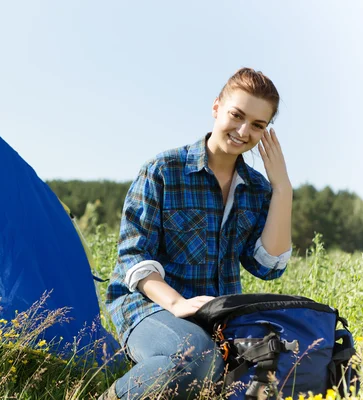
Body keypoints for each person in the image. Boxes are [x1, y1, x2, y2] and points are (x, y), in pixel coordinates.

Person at [100, 68, 293, 400]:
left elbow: (267, 266)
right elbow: (133, 256)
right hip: (151, 305)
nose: (244, 131)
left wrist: (282, 188)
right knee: (198, 356)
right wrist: (177, 303)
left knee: (284, 363)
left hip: (217, 314)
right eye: (237, 115)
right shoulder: (163, 170)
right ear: (217, 107)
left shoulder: (258, 190)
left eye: (258, 125)